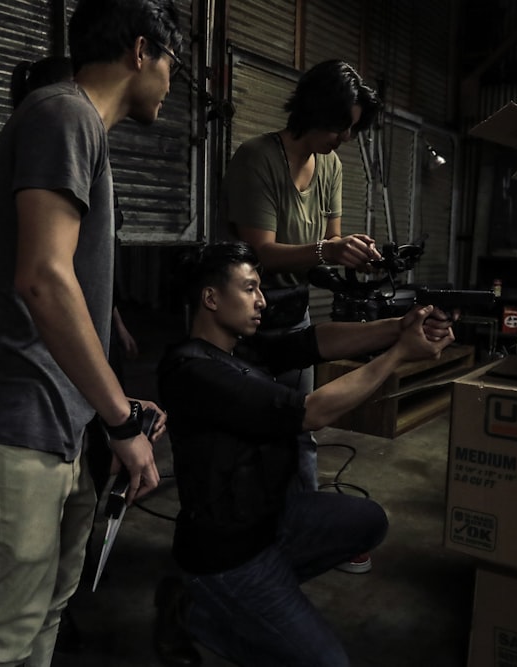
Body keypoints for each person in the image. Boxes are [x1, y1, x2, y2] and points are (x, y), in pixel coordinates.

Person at [0, 1, 183, 665]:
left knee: (45, 614)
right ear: (140, 52)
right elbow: (43, 279)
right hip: (11, 415)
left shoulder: (80, 128)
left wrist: (113, 406)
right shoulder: (64, 114)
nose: (171, 86)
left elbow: (70, 289)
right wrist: (121, 421)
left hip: (56, 422)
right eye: (171, 67)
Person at [153, 241, 456, 667]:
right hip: (227, 553)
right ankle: (196, 612)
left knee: (369, 521)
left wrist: (398, 326)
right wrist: (399, 355)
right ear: (211, 298)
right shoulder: (193, 370)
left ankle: (255, 598)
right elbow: (310, 412)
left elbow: (314, 342)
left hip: (271, 519)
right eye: (250, 288)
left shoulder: (239, 346)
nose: (261, 300)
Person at [218, 60, 384, 573]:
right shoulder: (256, 160)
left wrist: (353, 259)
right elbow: (261, 254)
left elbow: (324, 251)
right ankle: (232, 542)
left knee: (300, 432)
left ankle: (307, 533)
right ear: (312, 111)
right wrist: (329, 252)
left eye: (352, 128)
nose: (345, 137)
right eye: (340, 126)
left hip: (292, 316)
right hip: (239, 322)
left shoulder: (330, 165)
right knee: (239, 433)